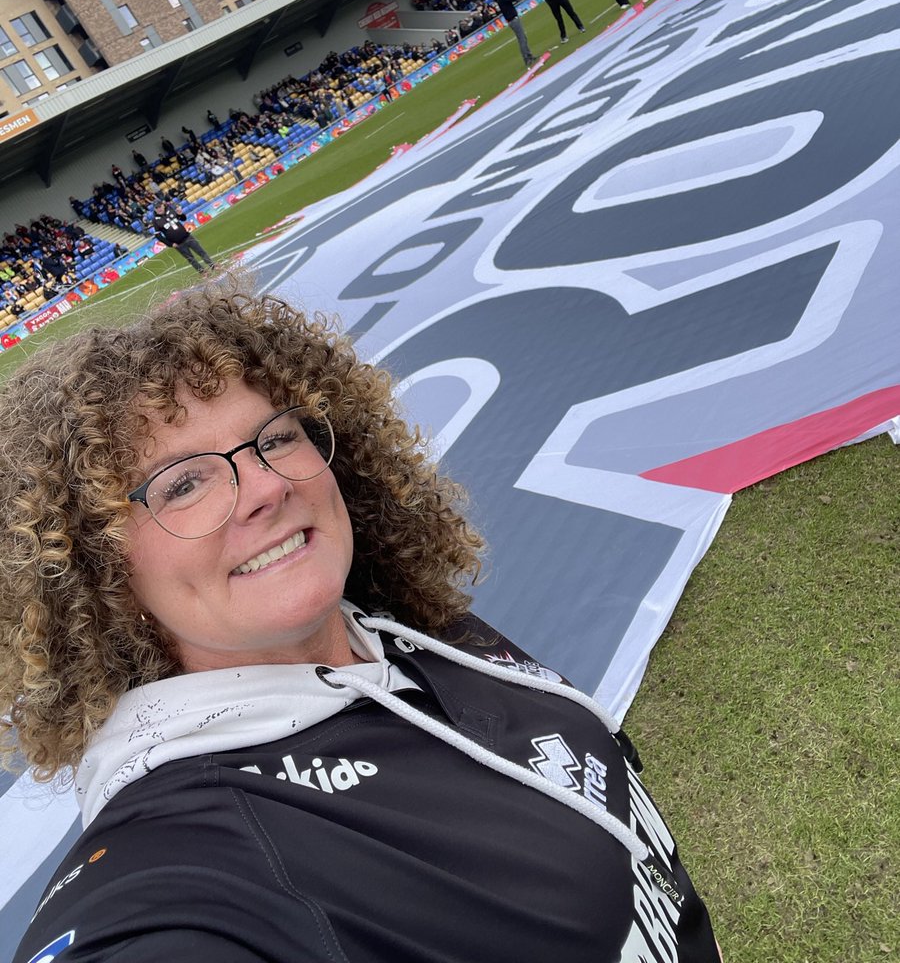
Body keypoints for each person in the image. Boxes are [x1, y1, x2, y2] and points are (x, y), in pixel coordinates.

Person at [1, 284, 721, 963]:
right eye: (184, 482)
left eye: (275, 438)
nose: (269, 487)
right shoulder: (185, 854)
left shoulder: (421, 635)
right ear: (96, 568)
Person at [151, 200, 215, 273]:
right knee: (191, 259)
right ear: (154, 209)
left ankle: (212, 265)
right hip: (178, 244)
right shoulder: (155, 220)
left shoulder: (170, 210)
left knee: (201, 252)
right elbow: (158, 235)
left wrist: (181, 214)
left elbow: (183, 218)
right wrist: (170, 244)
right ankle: (203, 272)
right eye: (156, 208)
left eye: (159, 206)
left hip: (187, 237)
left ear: (163, 205)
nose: (159, 209)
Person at [491, 0, 536, 66]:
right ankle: (527, 58)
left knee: (523, 38)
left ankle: (529, 55)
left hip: (512, 19)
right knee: (522, 39)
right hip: (512, 19)